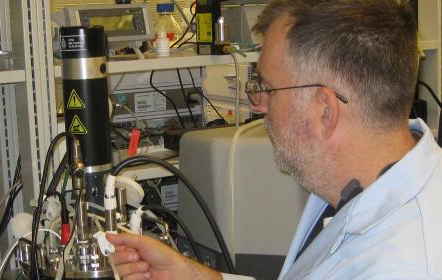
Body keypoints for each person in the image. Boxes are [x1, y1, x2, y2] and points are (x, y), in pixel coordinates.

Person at [106, 0, 442, 279]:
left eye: (267, 88)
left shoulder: (402, 263)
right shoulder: (365, 180)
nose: (258, 105)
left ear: (324, 109)